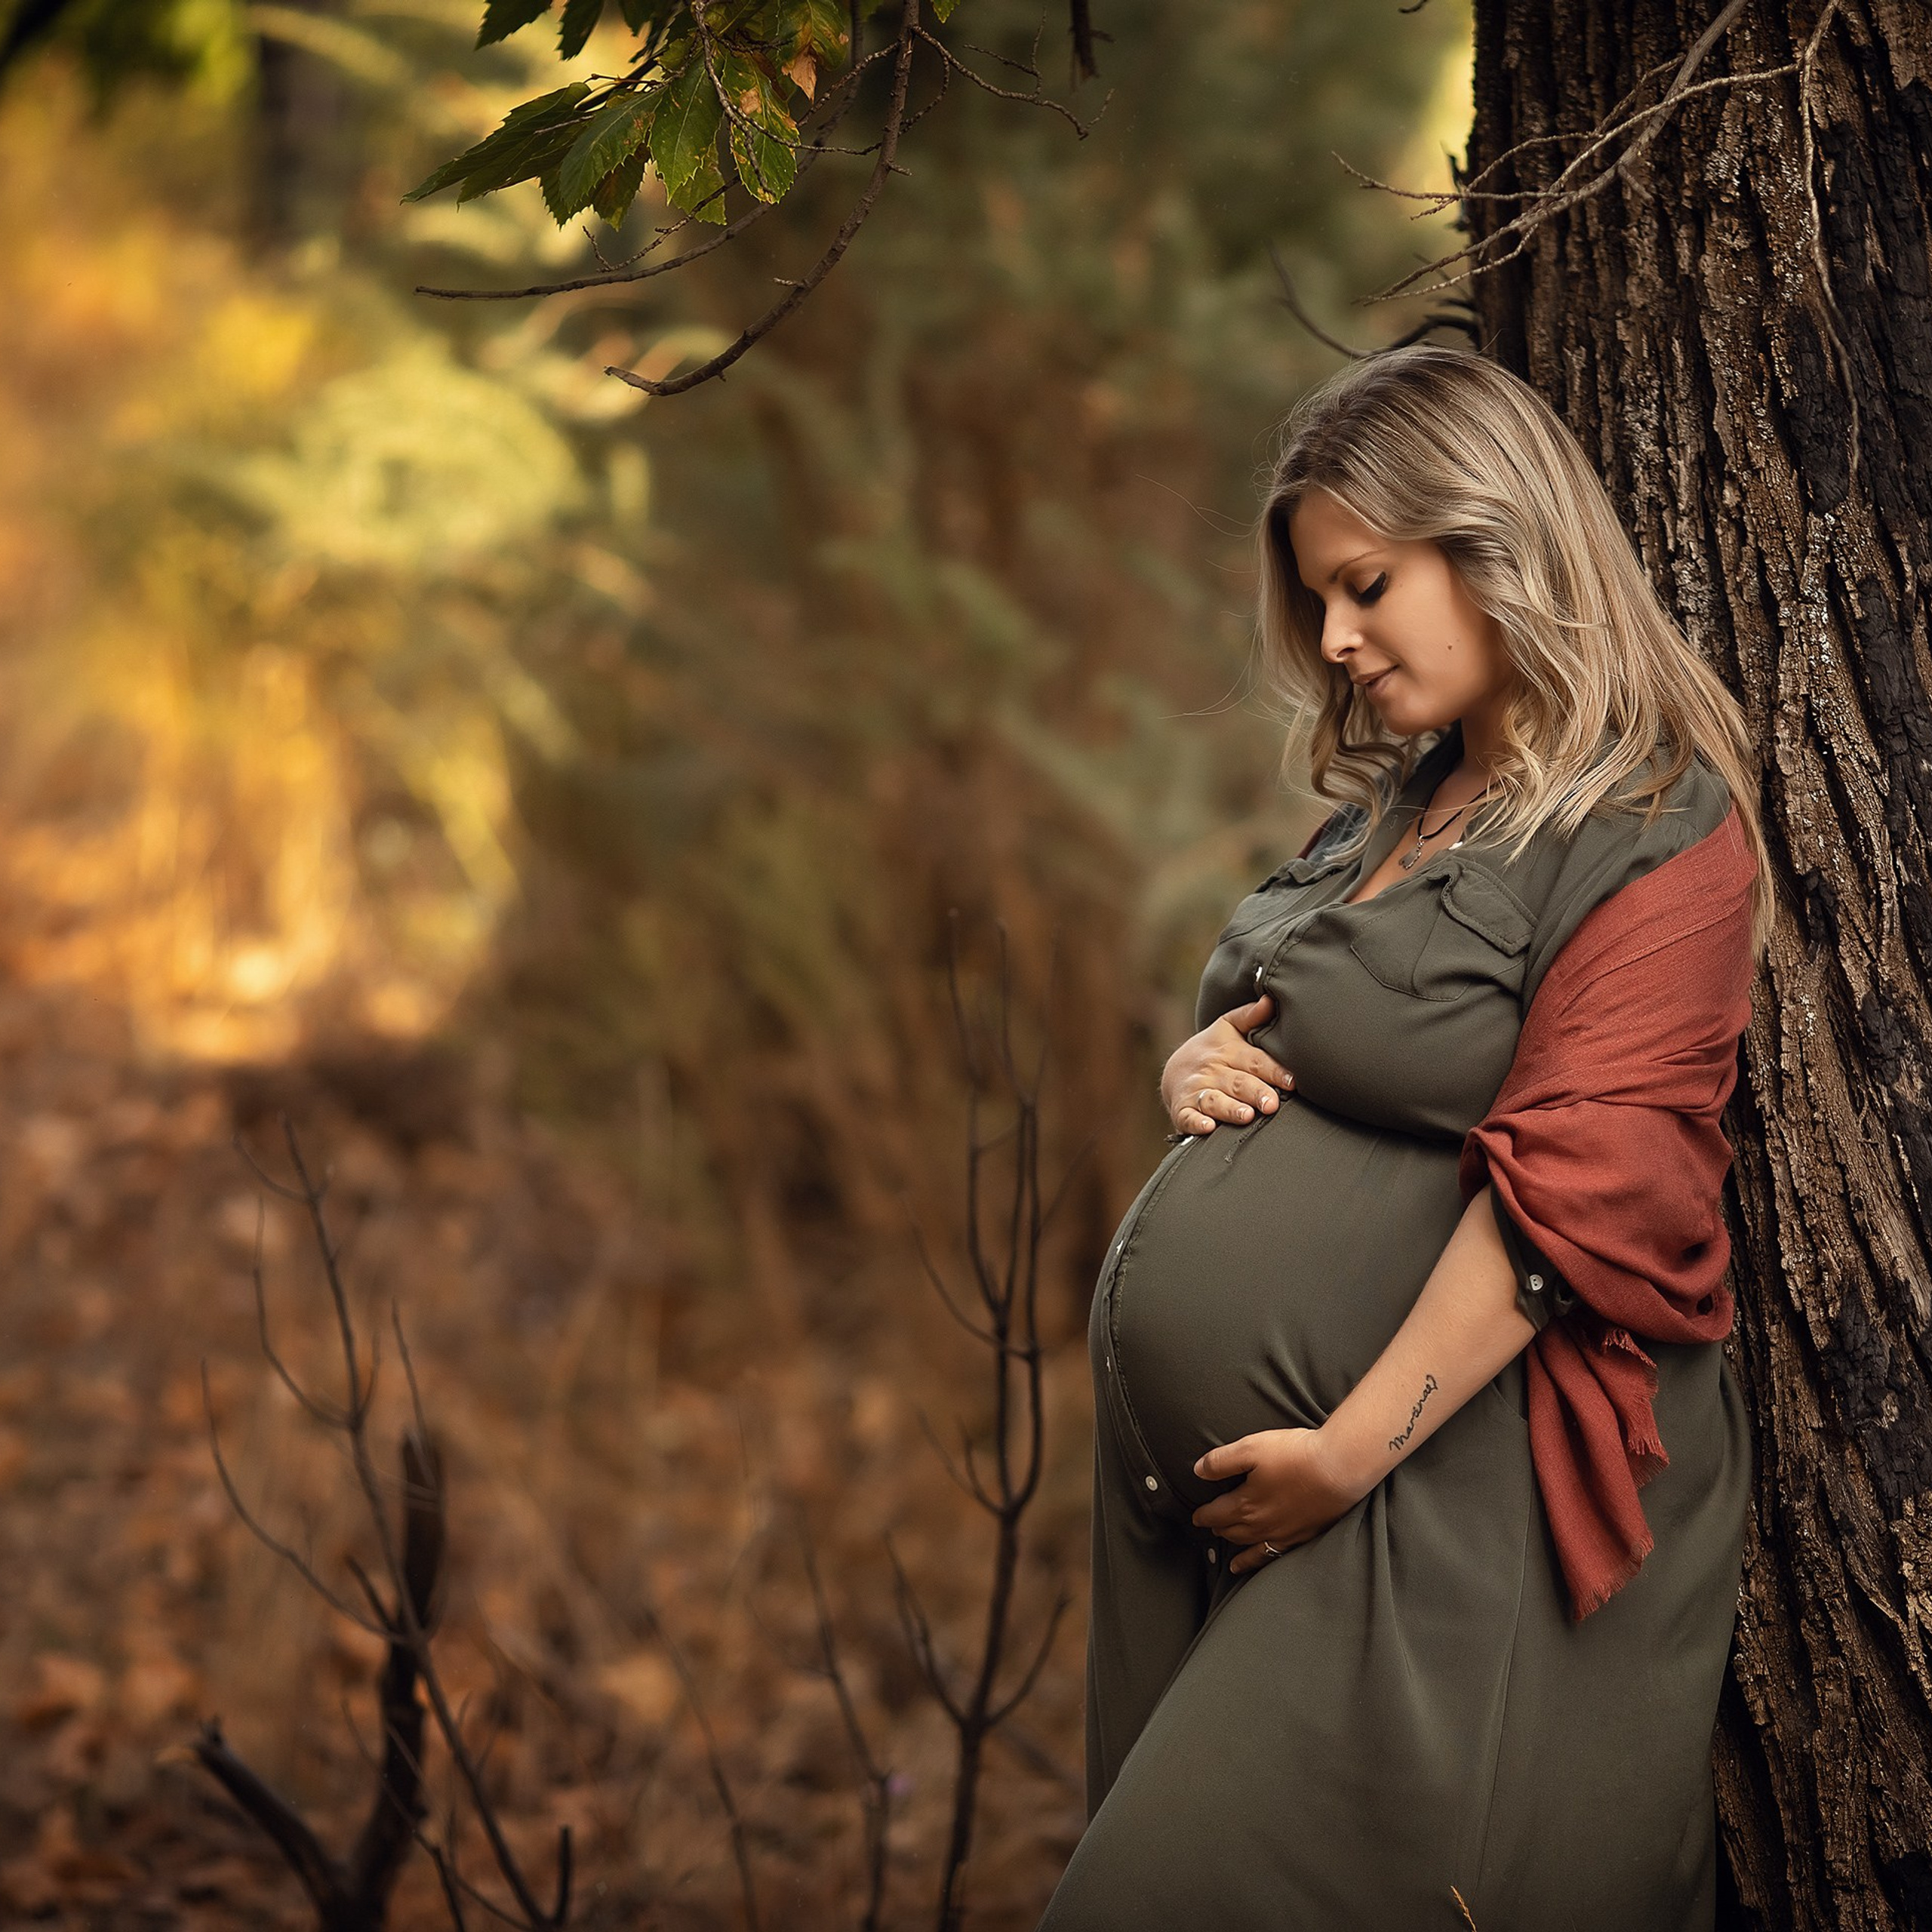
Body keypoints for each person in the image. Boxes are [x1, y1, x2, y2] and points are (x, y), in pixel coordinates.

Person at [1036, 346, 1770, 1932]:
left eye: (1364, 584)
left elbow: (1594, 1195)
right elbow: (1301, 1011)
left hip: (1437, 1495)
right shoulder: (1396, 801)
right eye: (1316, 599)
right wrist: (1197, 1064)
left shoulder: (1655, 825)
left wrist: (1343, 1456)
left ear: (1494, 536)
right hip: (1264, 1494)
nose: (1332, 638)